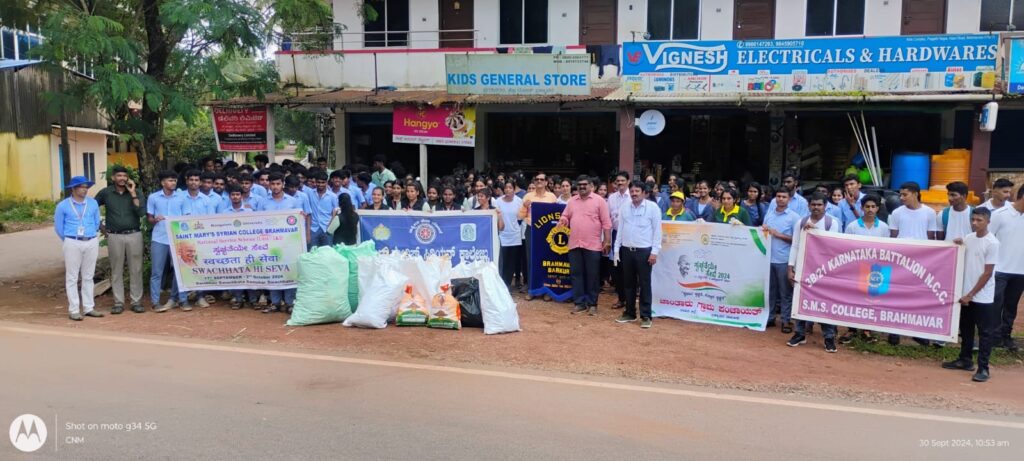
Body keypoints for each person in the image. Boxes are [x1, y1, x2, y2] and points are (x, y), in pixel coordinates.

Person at [942, 208, 999, 382]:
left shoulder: (992, 243)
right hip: (965, 294)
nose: (974, 223)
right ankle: (965, 360)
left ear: (988, 221)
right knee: (966, 330)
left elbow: (987, 273)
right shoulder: (969, 238)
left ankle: (984, 368)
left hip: (982, 297)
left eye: (979, 220)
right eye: (973, 219)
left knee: (985, 333)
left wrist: (971, 294)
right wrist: (959, 244)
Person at [787, 193, 841, 352]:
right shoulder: (801, 222)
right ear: (808, 206)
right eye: (813, 204)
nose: (816, 207)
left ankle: (829, 337)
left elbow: (832, 246)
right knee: (800, 301)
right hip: (804, 268)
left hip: (825, 270)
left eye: (819, 204)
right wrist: (790, 268)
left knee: (825, 303)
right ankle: (799, 333)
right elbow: (795, 245)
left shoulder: (832, 223)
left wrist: (814, 231)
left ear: (825, 206)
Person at [887, 181, 939, 346]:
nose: (901, 198)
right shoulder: (896, 213)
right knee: (896, 296)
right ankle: (894, 331)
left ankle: (918, 331)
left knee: (918, 296)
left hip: (922, 261)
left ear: (916, 193)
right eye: (900, 194)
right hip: (900, 260)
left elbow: (931, 237)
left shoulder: (930, 213)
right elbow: (893, 237)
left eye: (905, 194)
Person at [837, 194, 890, 344]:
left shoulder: (884, 227)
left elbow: (887, 250)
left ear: (878, 208)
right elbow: (846, 248)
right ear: (862, 208)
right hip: (856, 268)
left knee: (872, 300)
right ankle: (851, 329)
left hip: (876, 269)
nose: (870, 209)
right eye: (867, 207)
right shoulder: (852, 226)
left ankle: (867, 330)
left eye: (873, 207)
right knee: (854, 300)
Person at [558, 175, 612, 315]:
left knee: (592, 275)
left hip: (593, 245)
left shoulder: (599, 201)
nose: (582, 187)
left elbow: (606, 223)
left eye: (584, 184)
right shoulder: (572, 201)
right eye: (579, 184)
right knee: (576, 274)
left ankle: (592, 304)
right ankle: (579, 303)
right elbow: (565, 215)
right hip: (574, 244)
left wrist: (607, 241)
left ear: (590, 186)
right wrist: (563, 220)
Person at [95, 165, 145, 314]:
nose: (122, 179)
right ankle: (118, 302)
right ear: (113, 178)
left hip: (134, 234)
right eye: (119, 176)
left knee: (136, 269)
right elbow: (90, 207)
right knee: (116, 270)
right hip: (114, 235)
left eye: (124, 176)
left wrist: (133, 193)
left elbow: (141, 212)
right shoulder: (106, 193)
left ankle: (136, 301)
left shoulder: (136, 192)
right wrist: (99, 225)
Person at [614, 181, 662, 329]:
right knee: (628, 283)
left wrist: (654, 252)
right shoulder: (625, 208)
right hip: (627, 250)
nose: (634, 194)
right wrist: (616, 250)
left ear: (644, 193)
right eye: (632, 191)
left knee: (644, 284)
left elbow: (657, 231)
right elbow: (620, 229)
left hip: (644, 251)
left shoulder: (653, 208)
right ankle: (629, 313)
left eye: (637, 191)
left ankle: (646, 315)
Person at [55, 176, 103, 321]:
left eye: (86, 187)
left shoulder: (93, 203)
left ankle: (89, 307)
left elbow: (96, 221)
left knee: (88, 276)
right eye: (82, 187)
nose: (85, 189)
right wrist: (69, 239)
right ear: (73, 189)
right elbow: (59, 227)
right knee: (72, 277)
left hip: (91, 240)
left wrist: (90, 234)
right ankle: (74, 309)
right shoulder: (63, 205)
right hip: (72, 241)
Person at [257, 173, 305, 313]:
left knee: (289, 269)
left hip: (289, 242)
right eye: (273, 184)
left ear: (283, 184)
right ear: (269, 185)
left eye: (278, 184)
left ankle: (290, 302)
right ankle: (275, 302)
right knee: (272, 271)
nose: (275, 187)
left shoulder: (292, 201)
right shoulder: (263, 202)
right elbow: (257, 221)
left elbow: (300, 219)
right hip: (269, 243)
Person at [990, 185, 1024, 352]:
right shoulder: (1000, 215)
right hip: (1000, 269)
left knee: (1011, 306)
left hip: (1021, 271)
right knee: (996, 304)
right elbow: (988, 239)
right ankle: (994, 336)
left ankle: (1006, 336)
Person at [177, 169, 217, 310]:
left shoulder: (207, 200)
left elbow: (210, 221)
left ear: (200, 182)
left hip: (201, 240)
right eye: (191, 180)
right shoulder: (179, 197)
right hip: (182, 240)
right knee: (182, 268)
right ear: (187, 181)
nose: (194, 182)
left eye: (196, 180)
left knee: (201, 269)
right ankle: (182, 299)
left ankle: (200, 296)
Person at [762, 187, 800, 332]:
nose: (780, 199)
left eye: (784, 197)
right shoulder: (770, 214)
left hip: (784, 260)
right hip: (768, 259)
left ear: (789, 199)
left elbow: (797, 240)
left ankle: (786, 320)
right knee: (770, 291)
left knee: (785, 293)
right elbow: (764, 233)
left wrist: (777, 234)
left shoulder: (794, 217)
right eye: (778, 196)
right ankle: (770, 318)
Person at [147, 170, 185, 312]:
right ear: (163, 182)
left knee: (179, 270)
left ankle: (177, 298)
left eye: (174, 180)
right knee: (157, 271)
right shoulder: (153, 197)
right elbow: (149, 218)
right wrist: (155, 219)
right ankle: (155, 301)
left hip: (177, 239)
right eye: (170, 180)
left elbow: (186, 217)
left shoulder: (181, 198)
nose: (173, 183)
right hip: (159, 238)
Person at [518, 173, 559, 300]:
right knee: (531, 260)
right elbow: (519, 217)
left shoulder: (552, 197)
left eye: (542, 179)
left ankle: (547, 290)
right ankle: (532, 290)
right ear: (534, 182)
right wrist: (525, 206)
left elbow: (556, 214)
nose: (539, 181)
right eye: (537, 179)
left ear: (546, 182)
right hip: (532, 230)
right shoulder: (528, 196)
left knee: (546, 260)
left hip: (547, 231)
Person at [220, 185, 259, 310]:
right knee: (236, 273)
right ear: (229, 197)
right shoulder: (225, 213)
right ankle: (238, 299)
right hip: (232, 248)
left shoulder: (250, 212)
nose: (235, 197)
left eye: (238, 194)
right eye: (233, 195)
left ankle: (253, 300)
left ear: (242, 196)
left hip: (248, 248)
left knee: (250, 272)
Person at [606, 171, 632, 309]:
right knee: (617, 269)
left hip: (630, 236)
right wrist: (608, 240)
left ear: (628, 181)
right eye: (618, 181)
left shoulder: (632, 196)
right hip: (616, 235)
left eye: (623, 180)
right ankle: (621, 299)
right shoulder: (611, 198)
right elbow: (608, 220)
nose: (620, 183)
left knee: (629, 269)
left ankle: (630, 300)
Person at [496, 182, 524, 288]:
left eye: (510, 188)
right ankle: (500, 284)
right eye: (506, 188)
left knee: (511, 262)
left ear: (514, 189)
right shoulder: (497, 202)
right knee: (502, 261)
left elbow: (521, 218)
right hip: (501, 235)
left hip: (515, 235)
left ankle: (507, 285)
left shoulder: (519, 201)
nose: (508, 190)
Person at [306, 170, 339, 248]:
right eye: (318, 182)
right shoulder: (309, 194)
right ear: (315, 182)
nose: (320, 185)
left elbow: (335, 213)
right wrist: (308, 232)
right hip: (313, 229)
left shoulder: (333, 196)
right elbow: (308, 213)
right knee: (313, 254)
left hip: (327, 229)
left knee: (327, 254)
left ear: (326, 183)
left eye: (323, 182)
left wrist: (330, 226)